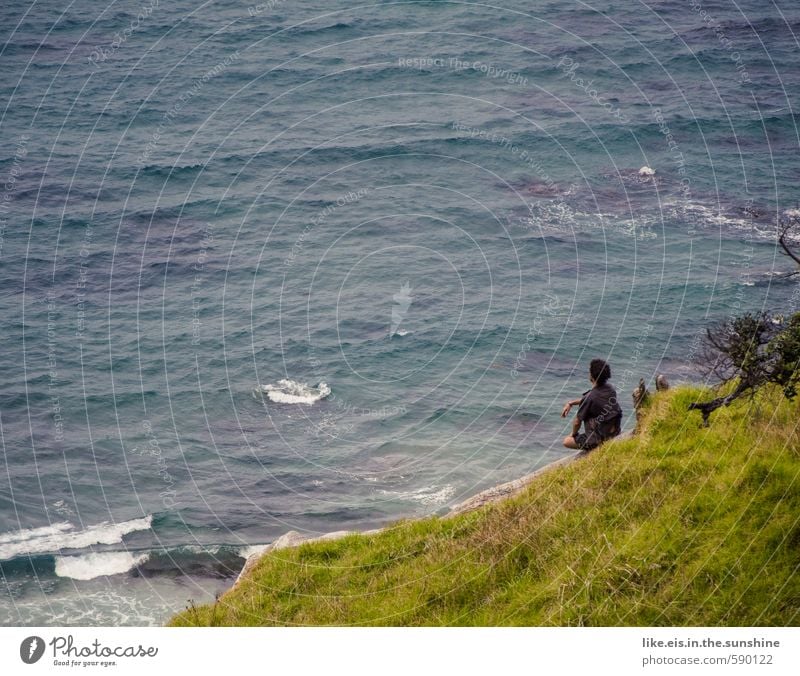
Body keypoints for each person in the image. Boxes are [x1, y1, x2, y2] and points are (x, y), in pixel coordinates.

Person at [561, 358, 622, 450]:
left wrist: (573, 434)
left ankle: (593, 446)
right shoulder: (610, 389)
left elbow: (577, 422)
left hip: (599, 439)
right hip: (614, 431)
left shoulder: (590, 397)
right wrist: (571, 403)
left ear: (592, 376)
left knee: (566, 441)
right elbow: (593, 400)